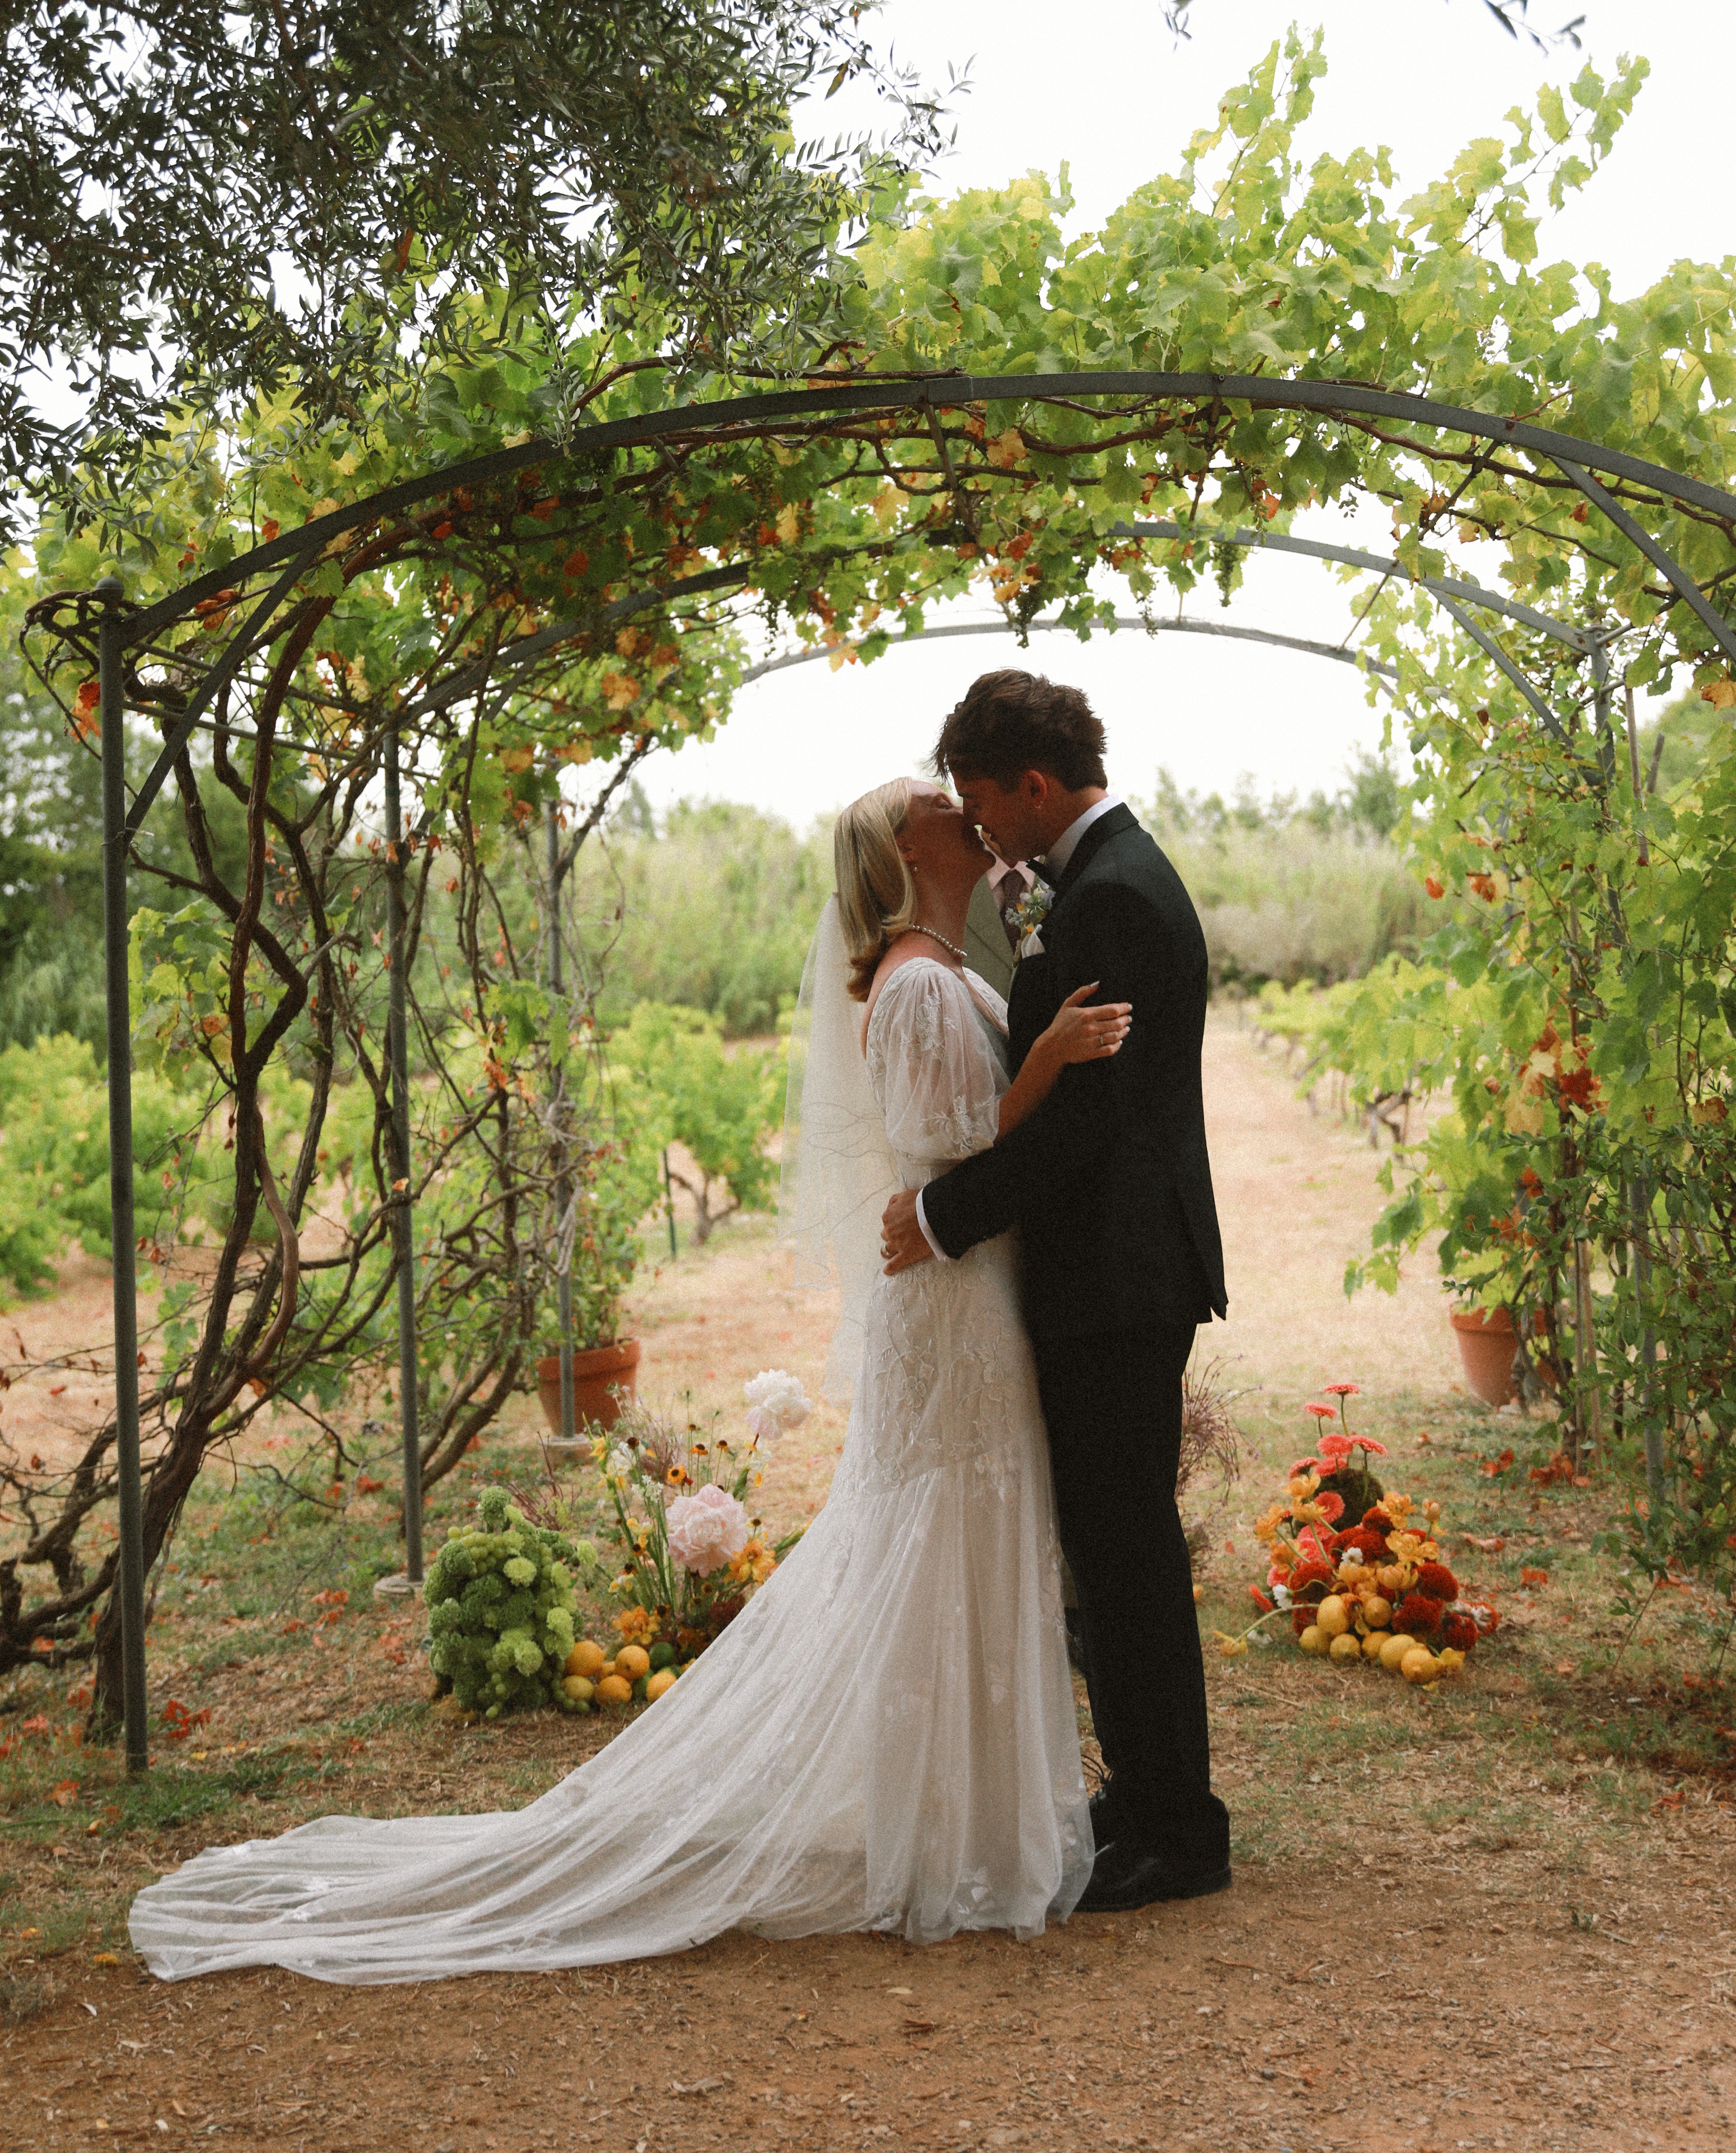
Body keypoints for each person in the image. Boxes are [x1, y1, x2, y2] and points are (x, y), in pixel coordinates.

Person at [128, 774, 1129, 1983]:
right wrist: (1059, 1056)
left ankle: (961, 1822)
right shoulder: (917, 983)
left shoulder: (947, 967)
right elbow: (957, 1145)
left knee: (962, 1527)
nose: (952, 798)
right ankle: (951, 1840)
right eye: (930, 796)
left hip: (974, 1292)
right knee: (943, 1526)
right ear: (899, 846)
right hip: (954, 1308)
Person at [880, 669, 1232, 1911]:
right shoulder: (1104, 882)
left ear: (1036, 784)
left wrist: (942, 1213)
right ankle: (1145, 1796)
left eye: (984, 799)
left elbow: (1089, 1122)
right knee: (1115, 1547)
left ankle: (1179, 1831)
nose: (979, 827)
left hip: (1120, 1277)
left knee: (1127, 1553)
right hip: (1115, 1271)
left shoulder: (1117, 899)